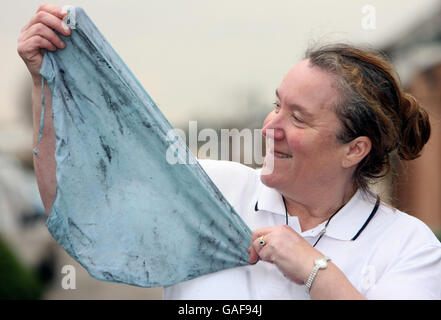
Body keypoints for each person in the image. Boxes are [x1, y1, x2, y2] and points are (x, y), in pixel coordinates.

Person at [18, 3, 441, 299]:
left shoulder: (407, 247)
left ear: (355, 150)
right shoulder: (211, 190)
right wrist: (46, 83)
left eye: (298, 117)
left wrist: (313, 268)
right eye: (277, 104)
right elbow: (81, 203)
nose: (270, 125)